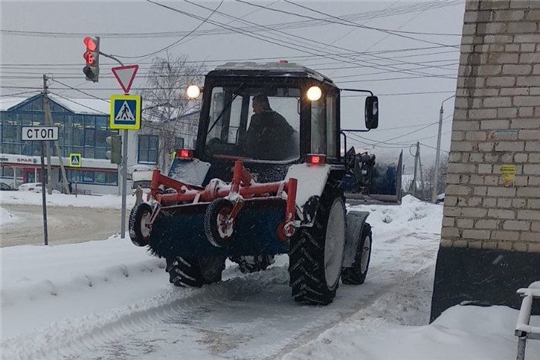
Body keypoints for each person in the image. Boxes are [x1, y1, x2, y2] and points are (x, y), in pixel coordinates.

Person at [242, 94, 296, 160]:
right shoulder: (256, 118)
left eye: (255, 106)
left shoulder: (276, 119)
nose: (253, 110)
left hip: (271, 159)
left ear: (263, 105)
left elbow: (289, 136)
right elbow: (249, 139)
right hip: (256, 158)